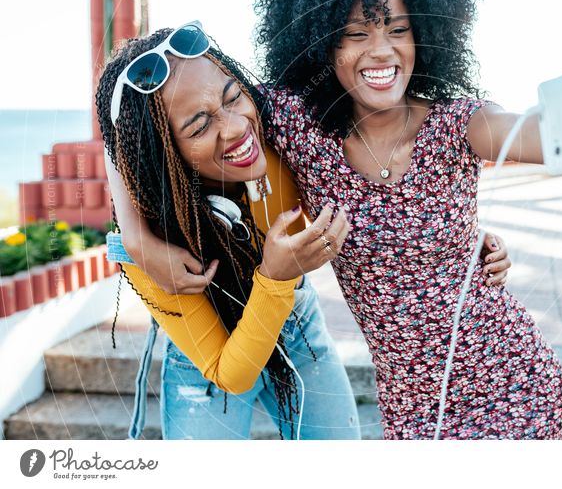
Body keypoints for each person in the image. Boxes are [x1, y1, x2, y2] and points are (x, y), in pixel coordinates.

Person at [115, 0, 562, 439]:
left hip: (511, 386)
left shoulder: (457, 123)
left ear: (426, 36)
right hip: (412, 409)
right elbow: (136, 125)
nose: (382, 50)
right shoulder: (295, 124)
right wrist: (136, 238)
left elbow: (529, 129)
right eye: (355, 34)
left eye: (398, 29)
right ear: (322, 48)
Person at [99, 22, 515, 440]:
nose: (235, 127)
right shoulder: (152, 251)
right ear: (161, 150)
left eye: (231, 97)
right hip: (207, 356)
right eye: (199, 126)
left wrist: (459, 237)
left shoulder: (278, 129)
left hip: (296, 325)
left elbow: (385, 170)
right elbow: (231, 373)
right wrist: (136, 238)